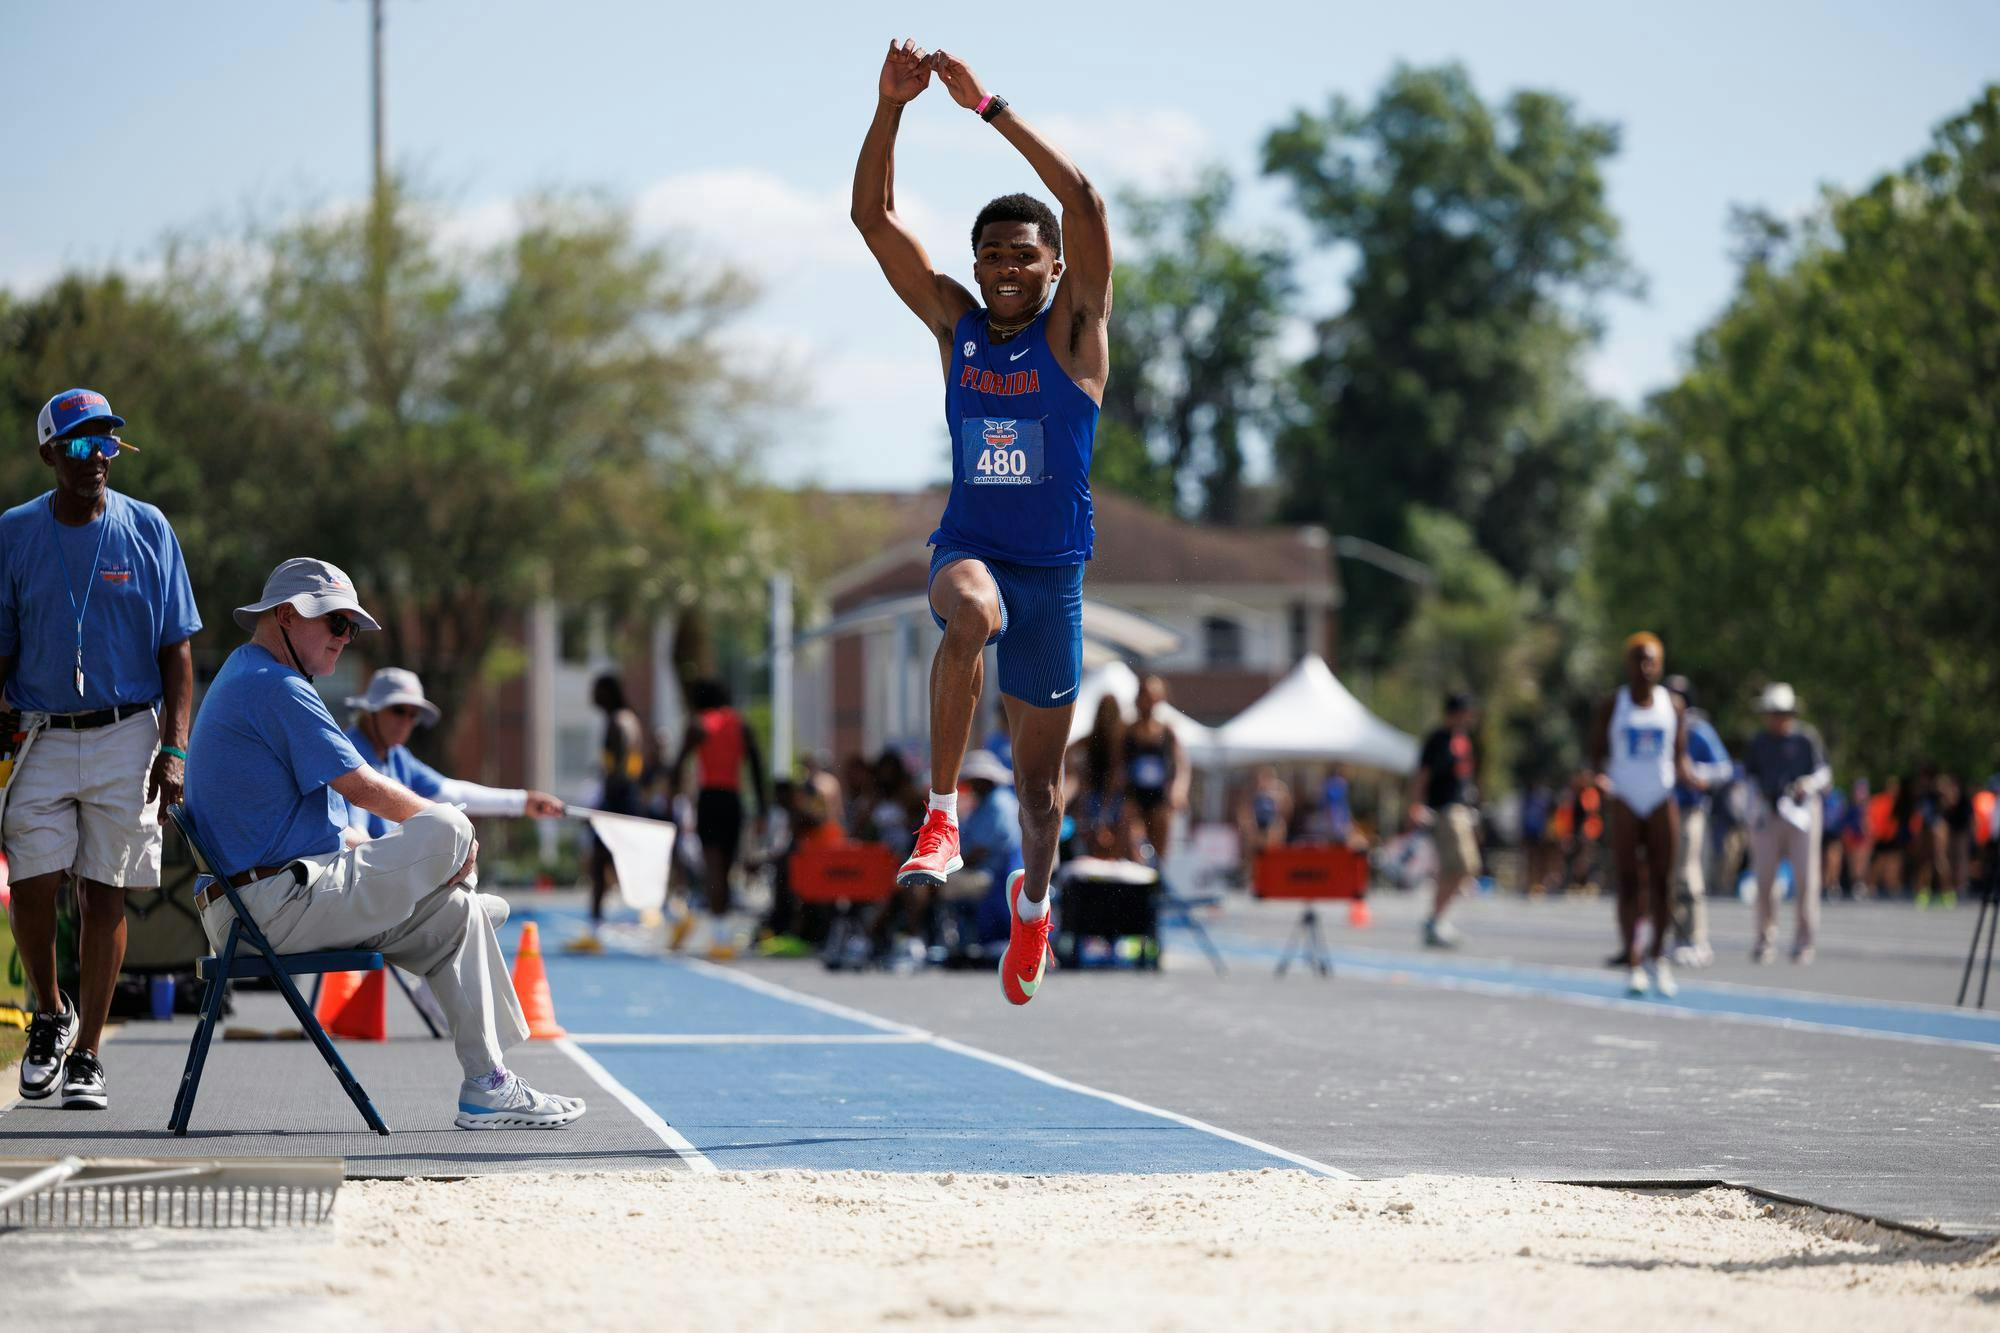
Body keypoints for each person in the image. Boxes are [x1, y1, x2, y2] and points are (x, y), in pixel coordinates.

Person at [852, 39, 1113, 1006]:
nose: (1008, 268)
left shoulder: (1076, 334)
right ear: (976, 265)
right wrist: (890, 108)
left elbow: (1083, 200)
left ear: (1053, 269)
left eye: (1025, 256)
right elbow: (871, 217)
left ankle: (1033, 904)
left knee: (1044, 802)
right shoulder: (955, 327)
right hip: (974, 554)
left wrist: (987, 108)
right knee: (968, 613)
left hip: (1055, 581)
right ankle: (941, 814)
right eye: (993, 256)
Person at [184, 559, 582, 1127]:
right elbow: (363, 788)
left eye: (351, 628)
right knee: (449, 827)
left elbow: (322, 817)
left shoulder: (251, 674)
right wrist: (454, 838)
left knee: (456, 917)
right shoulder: (275, 685)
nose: (346, 640)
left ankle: (487, 1084)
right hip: (269, 908)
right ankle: (443, 880)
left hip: (266, 900)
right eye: (337, 623)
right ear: (287, 616)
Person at [1, 389, 200, 1110]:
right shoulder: (15, 533)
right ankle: (49, 1015)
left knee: (103, 891)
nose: (96, 460)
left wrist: (175, 750)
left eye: (108, 444)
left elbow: (178, 650)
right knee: (32, 879)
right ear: (49, 453)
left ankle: (87, 1052)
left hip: (127, 730)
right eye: (81, 446)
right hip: (43, 729)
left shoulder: (147, 528)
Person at [1589, 634, 1694, 997]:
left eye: (1651, 660)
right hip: (1626, 800)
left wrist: (1695, 779)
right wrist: (1599, 779)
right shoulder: (1613, 704)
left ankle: (1658, 956)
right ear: (1628, 664)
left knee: (1664, 882)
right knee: (1629, 881)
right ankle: (1632, 961)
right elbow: (1597, 755)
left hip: (1661, 798)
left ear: (1660, 665)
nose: (1645, 667)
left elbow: (1679, 757)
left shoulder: (1673, 705)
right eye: (1638, 659)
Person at [343, 667, 565, 839]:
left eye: (414, 715)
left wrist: (523, 801)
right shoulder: (349, 751)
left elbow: (451, 792)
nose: (406, 722)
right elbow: (355, 829)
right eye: (398, 710)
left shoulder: (398, 756)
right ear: (371, 711)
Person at [666, 679, 768, 959]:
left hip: (710, 799)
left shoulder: (698, 724)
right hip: (734, 800)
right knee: (726, 866)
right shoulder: (740, 724)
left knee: (713, 865)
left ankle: (719, 932)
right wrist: (762, 810)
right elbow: (757, 766)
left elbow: (679, 764)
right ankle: (722, 932)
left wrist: (670, 801)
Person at [1742, 682, 1832, 963]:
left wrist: (1809, 784)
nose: (1777, 718)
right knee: (1765, 880)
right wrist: (1754, 806)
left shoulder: (1806, 739)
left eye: (1782, 712)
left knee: (1807, 879)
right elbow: (1749, 778)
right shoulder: (1759, 742)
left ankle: (1805, 941)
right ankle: (1764, 939)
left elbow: (1824, 773)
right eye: (1773, 712)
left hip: (1802, 815)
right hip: (1769, 814)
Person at [574, 672, 646, 951]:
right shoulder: (625, 718)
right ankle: (596, 925)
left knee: (603, 861)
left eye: (596, 690)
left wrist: (608, 802)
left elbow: (625, 766)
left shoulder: (620, 721)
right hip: (622, 797)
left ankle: (596, 926)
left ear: (607, 692)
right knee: (609, 861)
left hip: (619, 799)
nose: (592, 696)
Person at [1664, 674, 1732, 967]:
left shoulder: (1698, 730)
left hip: (1689, 809)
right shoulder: (1658, 728)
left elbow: (1724, 769)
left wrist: (1696, 773)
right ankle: (1674, 935)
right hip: (1660, 811)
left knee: (1687, 873)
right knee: (1664, 876)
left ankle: (1697, 937)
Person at [1410, 693, 1483, 947]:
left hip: (1462, 810)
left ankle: (1437, 918)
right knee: (1459, 865)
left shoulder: (1463, 741)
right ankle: (1435, 920)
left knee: (1465, 866)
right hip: (1444, 810)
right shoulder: (1438, 739)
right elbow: (1422, 774)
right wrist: (1416, 804)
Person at [1123, 675, 1187, 866]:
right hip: (1134, 795)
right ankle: (1137, 879)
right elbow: (1117, 766)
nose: (1146, 701)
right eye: (1143, 695)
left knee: (1159, 851)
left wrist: (1179, 790)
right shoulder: (1127, 731)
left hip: (1160, 797)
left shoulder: (1167, 731)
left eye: (1151, 696)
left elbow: (1181, 765)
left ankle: (1156, 882)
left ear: (1160, 698)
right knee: (1134, 842)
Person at [1066, 695, 1131, 861]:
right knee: (1092, 829)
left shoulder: (1120, 738)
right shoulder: (1094, 738)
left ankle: (1111, 859)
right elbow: (1070, 749)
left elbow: (1115, 775)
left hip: (1112, 795)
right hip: (1096, 792)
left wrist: (1105, 809)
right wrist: (1077, 774)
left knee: (1109, 829)